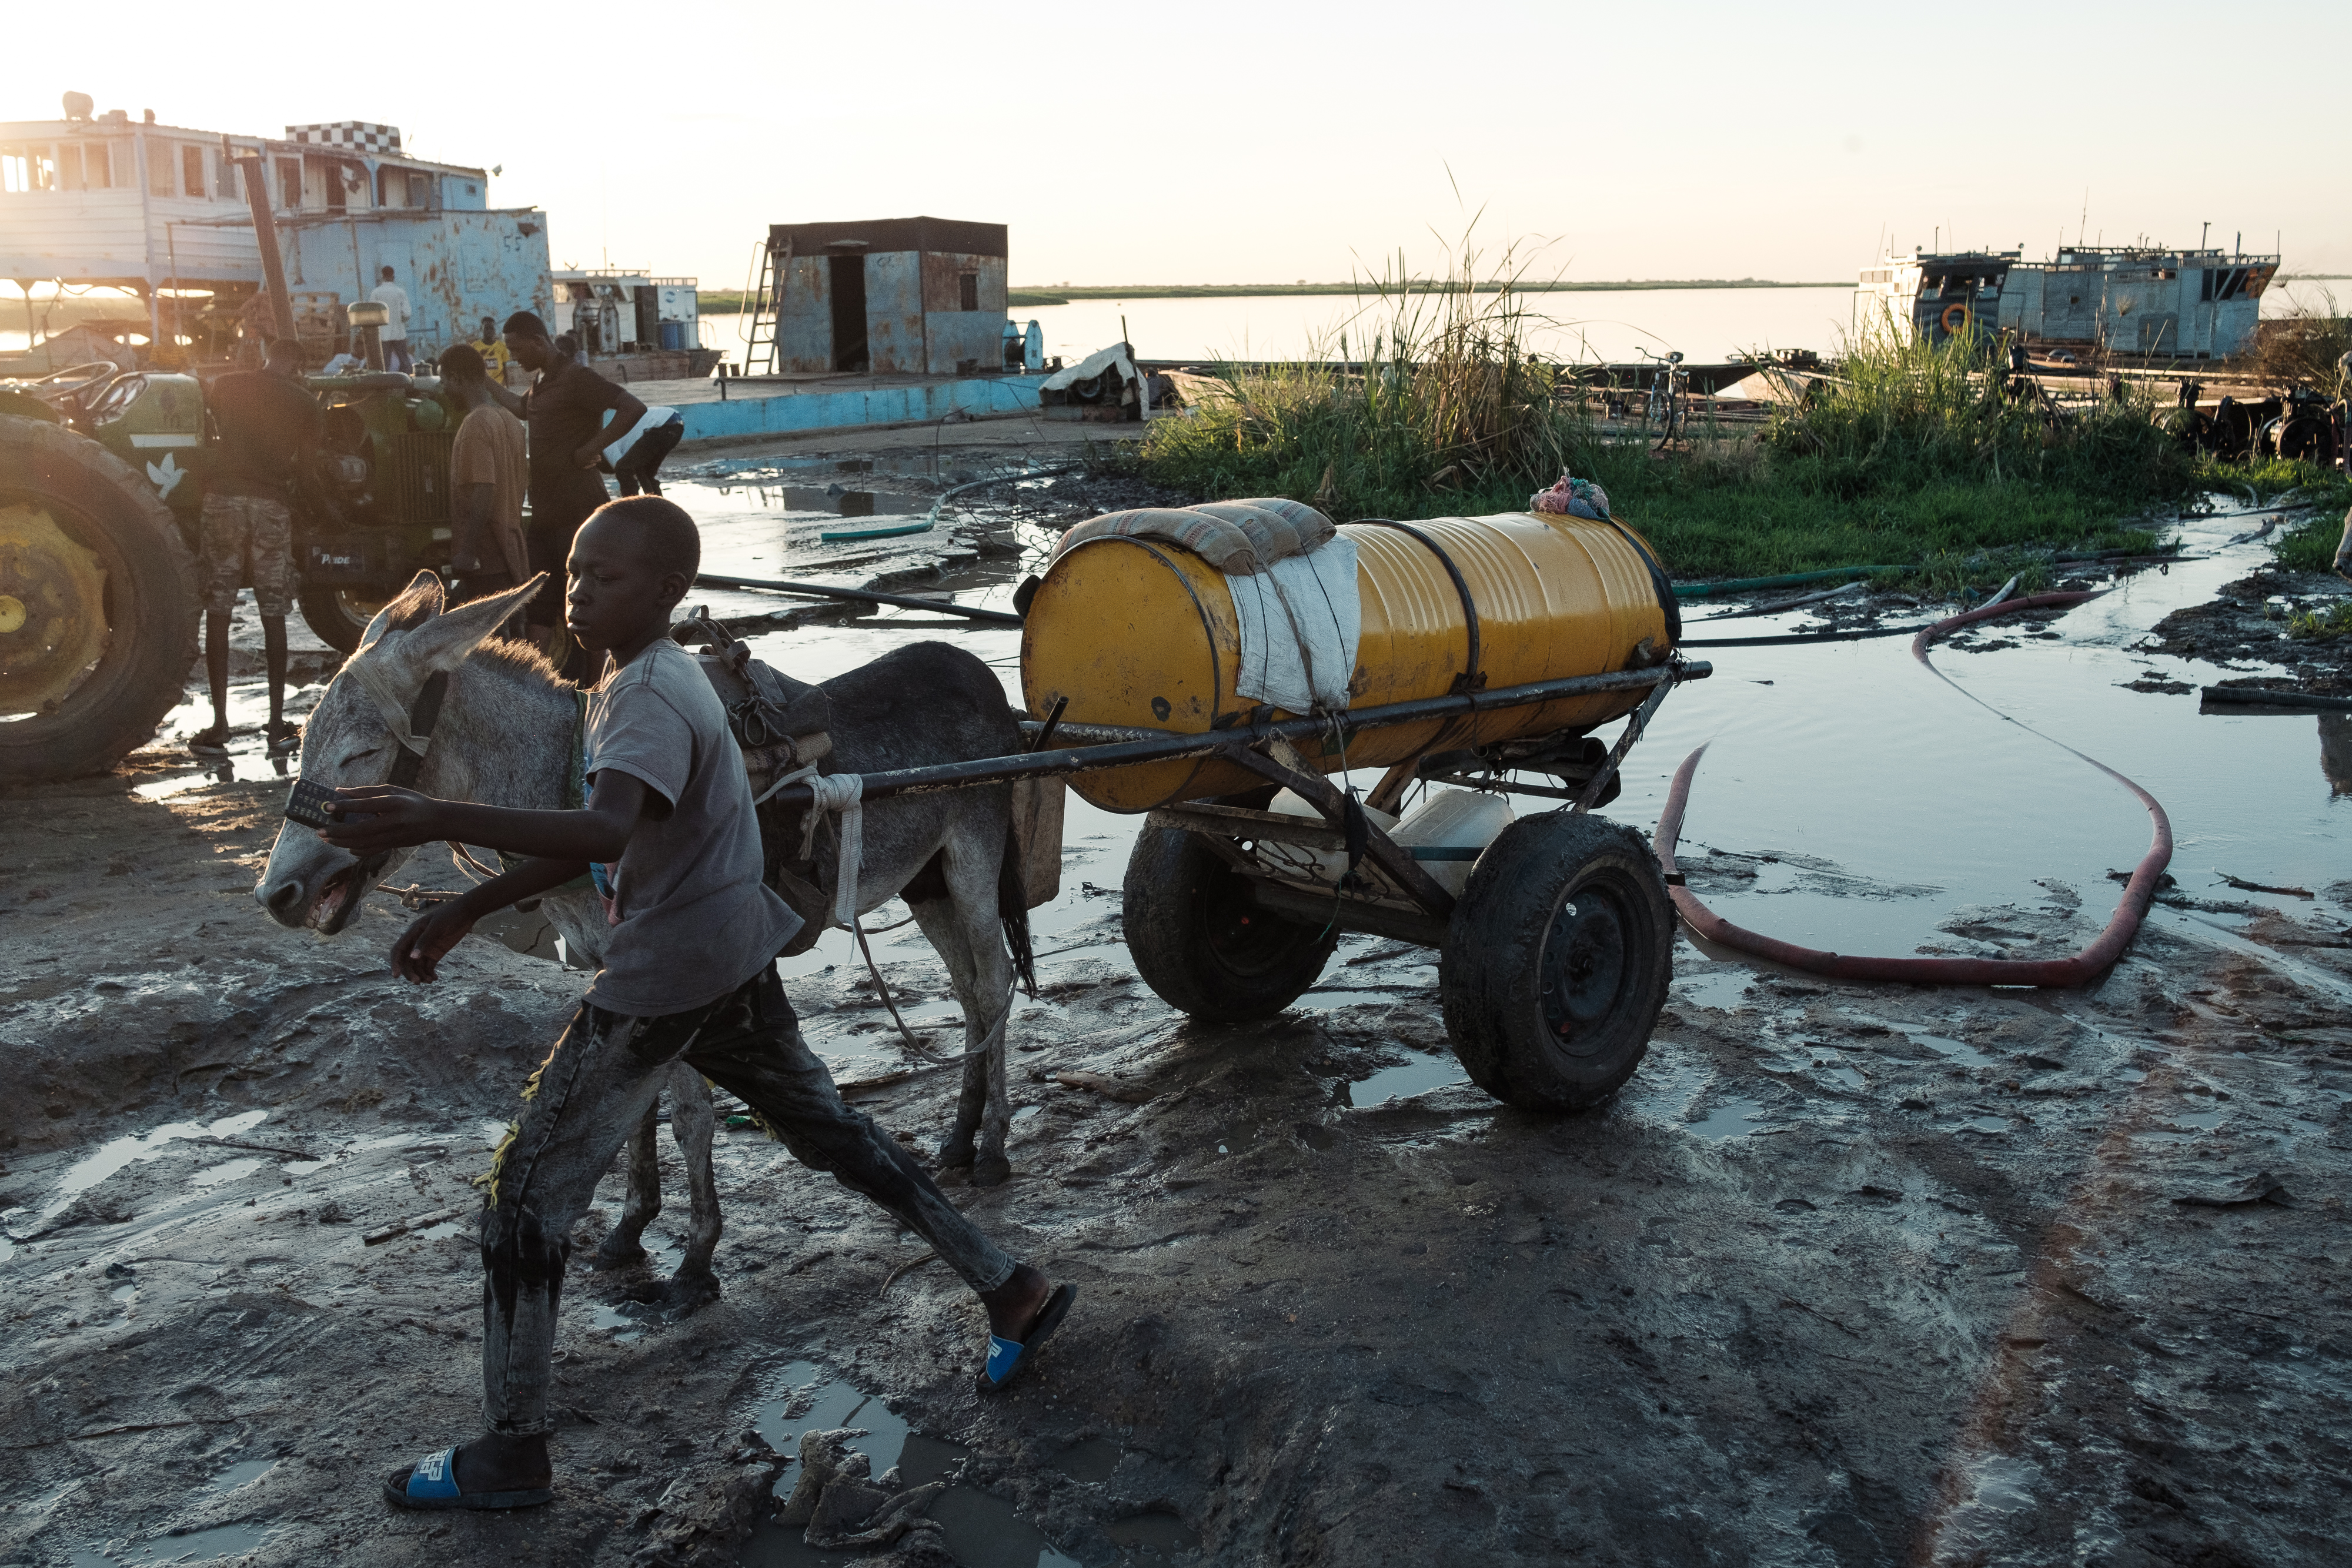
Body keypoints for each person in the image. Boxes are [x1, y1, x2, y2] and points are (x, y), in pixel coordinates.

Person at [319, 499, 1073, 1512]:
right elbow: (616, 835)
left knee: (522, 1197)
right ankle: (1013, 1287)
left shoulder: (645, 694)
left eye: (608, 579)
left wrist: (433, 814)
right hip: (731, 952)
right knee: (837, 1135)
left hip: (669, 973)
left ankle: (511, 1451)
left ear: (671, 591)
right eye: (575, 573)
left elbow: (602, 825)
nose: (581, 594)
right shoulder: (634, 678)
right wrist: (470, 902)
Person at [480, 310, 646, 644]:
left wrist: (592, 447)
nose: (514, 358)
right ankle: (534, 675)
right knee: (540, 603)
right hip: (545, 512)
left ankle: (600, 675)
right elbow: (521, 408)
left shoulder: (577, 378)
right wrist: (482, 380)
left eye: (518, 350)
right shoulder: (540, 381)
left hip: (578, 509)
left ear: (538, 342)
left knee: (588, 603)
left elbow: (633, 407)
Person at [190, 338, 318, 758]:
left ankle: (220, 725)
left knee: (219, 609)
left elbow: (207, 430)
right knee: (274, 612)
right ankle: (277, 725)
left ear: (269, 356)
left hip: (222, 499)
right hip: (270, 505)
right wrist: (323, 510)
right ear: (297, 366)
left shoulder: (227, 384)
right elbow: (308, 471)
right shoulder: (305, 401)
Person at [437, 343, 530, 613]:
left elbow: (484, 491)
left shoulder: (476, 424)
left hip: (487, 556)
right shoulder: (511, 422)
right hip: (511, 551)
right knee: (511, 629)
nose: (442, 389)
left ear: (457, 379)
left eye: (444, 381)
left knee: (489, 634)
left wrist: (467, 550)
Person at [607, 404, 684, 497]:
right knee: (646, 473)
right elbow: (637, 466)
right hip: (676, 424)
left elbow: (622, 468)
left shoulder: (607, 449)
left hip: (661, 425)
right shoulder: (615, 440)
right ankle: (657, 504)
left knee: (623, 469)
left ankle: (632, 505)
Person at [372, 265, 413, 373]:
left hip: (383, 334)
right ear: (393, 276)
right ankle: (407, 380)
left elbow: (373, 313)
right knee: (404, 360)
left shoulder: (376, 293)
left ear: (382, 277)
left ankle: (384, 382)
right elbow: (407, 313)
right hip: (398, 332)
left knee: (384, 363)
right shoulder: (400, 292)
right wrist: (400, 320)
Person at [470, 315, 514, 384]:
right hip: (483, 385)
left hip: (499, 384)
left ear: (494, 330)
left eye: (492, 328)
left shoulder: (501, 346)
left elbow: (504, 366)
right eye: (486, 328)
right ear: (481, 329)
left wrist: (507, 384)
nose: (489, 331)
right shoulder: (475, 347)